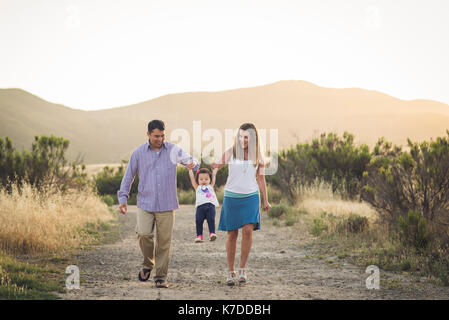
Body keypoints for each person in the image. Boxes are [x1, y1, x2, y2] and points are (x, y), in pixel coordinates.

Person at [117, 119, 199, 288]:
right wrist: (123, 198)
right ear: (148, 134)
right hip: (145, 203)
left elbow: (191, 159)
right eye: (156, 136)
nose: (159, 139)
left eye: (162, 136)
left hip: (167, 204)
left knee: (164, 242)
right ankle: (148, 264)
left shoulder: (173, 150)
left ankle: (160, 277)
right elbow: (128, 177)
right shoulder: (138, 153)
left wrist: (193, 163)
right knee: (144, 234)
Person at [211, 123, 271, 286]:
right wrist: (211, 169)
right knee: (232, 234)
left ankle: (242, 269)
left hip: (251, 196)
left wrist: (266, 200)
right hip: (232, 196)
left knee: (247, 231)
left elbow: (261, 179)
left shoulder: (258, 157)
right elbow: (217, 165)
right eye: (240, 136)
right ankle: (231, 271)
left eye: (246, 137)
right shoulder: (231, 152)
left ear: (253, 138)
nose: (242, 140)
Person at [188, 167, 219, 243]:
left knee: (211, 220)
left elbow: (214, 175)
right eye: (201, 179)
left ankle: (212, 234)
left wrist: (215, 170)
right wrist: (190, 170)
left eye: (206, 179)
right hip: (200, 207)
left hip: (210, 206)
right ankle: (199, 236)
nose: (203, 181)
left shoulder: (210, 186)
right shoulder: (197, 187)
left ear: (210, 180)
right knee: (198, 221)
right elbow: (192, 178)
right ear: (197, 180)